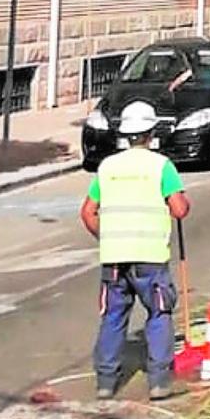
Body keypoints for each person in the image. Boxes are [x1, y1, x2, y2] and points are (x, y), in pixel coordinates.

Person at [79, 100, 190, 400]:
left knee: (113, 316)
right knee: (158, 313)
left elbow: (88, 212)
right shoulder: (161, 166)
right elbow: (179, 210)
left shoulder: (107, 167)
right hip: (150, 257)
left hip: (114, 258)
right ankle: (158, 381)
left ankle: (105, 383)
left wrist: (108, 236)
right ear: (151, 133)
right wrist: (180, 199)